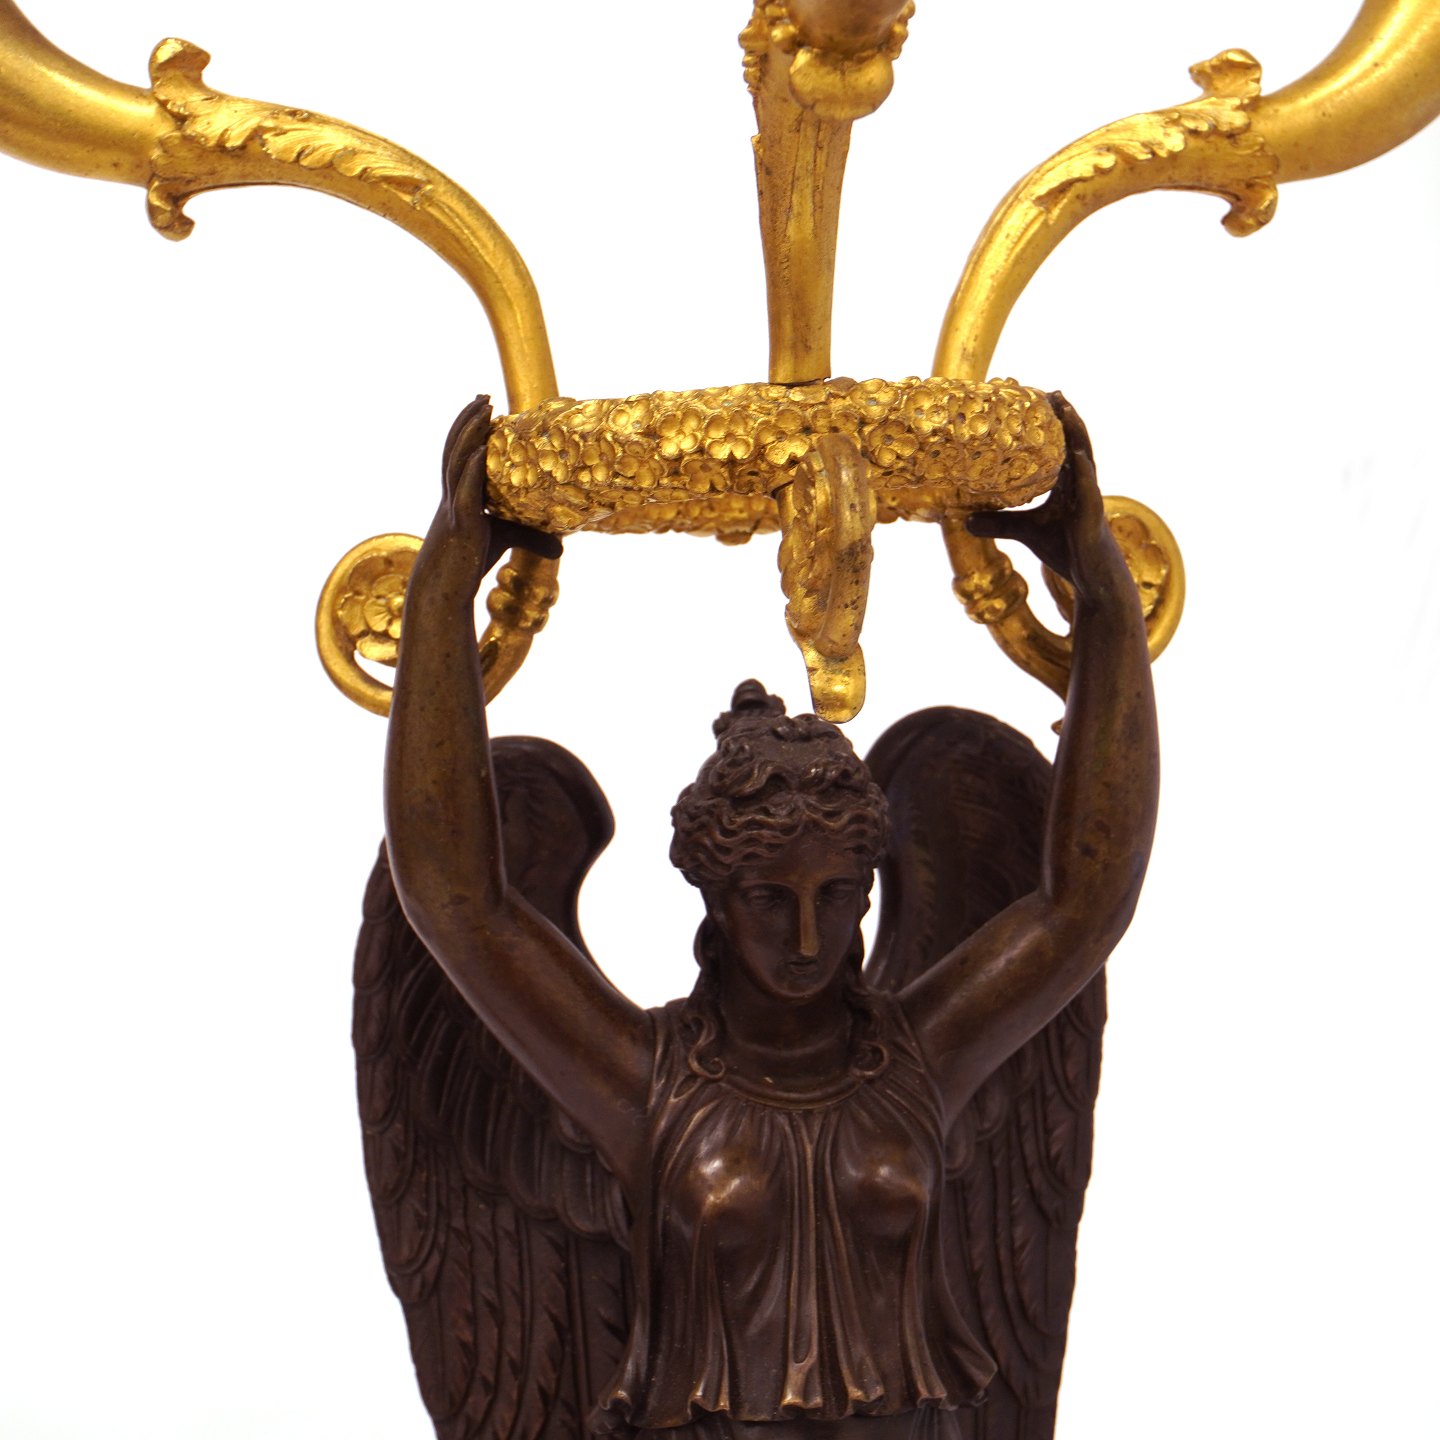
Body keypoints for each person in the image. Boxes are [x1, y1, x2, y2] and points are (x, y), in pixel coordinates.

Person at [384, 393, 1158, 1440]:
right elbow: (458, 900)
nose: (806, 940)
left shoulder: (919, 1060)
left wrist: (1104, 599)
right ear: (714, 896)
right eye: (768, 899)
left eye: (837, 897)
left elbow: (1085, 901)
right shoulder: (644, 1082)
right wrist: (440, 596)